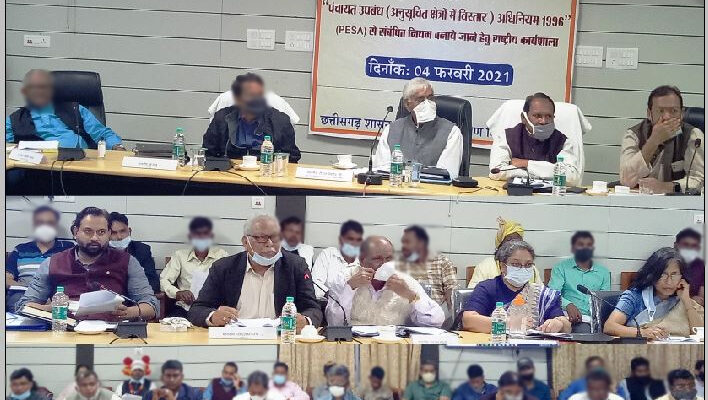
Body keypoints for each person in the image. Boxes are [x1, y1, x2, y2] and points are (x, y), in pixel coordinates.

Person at [16, 207, 159, 321]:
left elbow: (152, 306)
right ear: (75, 231)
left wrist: (128, 312)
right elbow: (23, 306)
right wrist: (50, 309)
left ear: (109, 233)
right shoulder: (52, 263)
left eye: (101, 232)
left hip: (112, 333)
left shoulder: (127, 261)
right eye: (88, 231)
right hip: (65, 331)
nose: (95, 238)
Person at [187, 215, 322, 328]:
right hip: (234, 338)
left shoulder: (296, 266)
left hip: (279, 339)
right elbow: (197, 309)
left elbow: (313, 309)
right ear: (246, 242)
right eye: (261, 238)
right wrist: (213, 316)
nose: (270, 243)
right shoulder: (224, 268)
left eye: (275, 237)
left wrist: (305, 321)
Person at [326, 236, 445, 327]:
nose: (384, 264)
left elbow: (436, 321)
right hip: (354, 343)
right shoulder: (345, 277)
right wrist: (350, 288)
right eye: (377, 259)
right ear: (362, 260)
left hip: (393, 346)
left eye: (389, 259)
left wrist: (409, 295)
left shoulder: (405, 281)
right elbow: (334, 323)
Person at [462, 240, 571, 333]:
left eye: (528, 264)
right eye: (516, 264)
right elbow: (468, 321)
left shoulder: (542, 294)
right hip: (496, 347)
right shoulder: (487, 288)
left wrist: (559, 324)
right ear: (503, 266)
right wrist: (508, 324)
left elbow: (567, 327)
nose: (523, 268)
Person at [6, 69, 125, 150]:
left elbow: (102, 134)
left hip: (78, 165)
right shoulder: (14, 119)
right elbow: (6, 147)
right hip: (34, 168)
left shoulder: (75, 109)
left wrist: (117, 147)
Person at [372, 77, 463, 179]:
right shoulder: (391, 130)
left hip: (432, 188)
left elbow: (447, 174)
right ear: (407, 104)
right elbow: (382, 169)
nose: (427, 104)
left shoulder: (452, 132)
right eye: (420, 99)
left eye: (430, 98)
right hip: (395, 186)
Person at [619, 85, 704, 193]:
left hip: (677, 200)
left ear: (682, 113)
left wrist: (665, 187)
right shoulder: (634, 134)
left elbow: (698, 181)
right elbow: (626, 180)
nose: (667, 117)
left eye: (674, 111)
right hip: (639, 198)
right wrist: (653, 141)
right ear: (649, 114)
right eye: (660, 111)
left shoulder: (693, 136)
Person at [604, 248, 704, 339]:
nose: (668, 281)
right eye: (662, 275)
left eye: (674, 274)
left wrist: (686, 301)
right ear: (652, 275)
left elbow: (701, 334)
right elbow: (610, 327)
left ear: (682, 277)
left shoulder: (682, 299)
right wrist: (643, 332)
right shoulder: (635, 296)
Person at [202, 72, 301, 162]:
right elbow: (208, 153)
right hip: (229, 171)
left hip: (267, 171)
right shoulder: (221, 118)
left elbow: (292, 158)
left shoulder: (280, 121)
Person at [489, 92, 581, 186]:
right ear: (524, 118)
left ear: (553, 118)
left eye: (548, 116)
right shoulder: (507, 136)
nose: (543, 121)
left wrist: (526, 164)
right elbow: (496, 172)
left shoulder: (563, 141)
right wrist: (548, 171)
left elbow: (572, 177)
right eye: (537, 116)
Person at [6, 205, 73, 310]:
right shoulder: (20, 249)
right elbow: (6, 278)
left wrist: (51, 295)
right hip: (23, 295)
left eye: (50, 223)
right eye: (40, 222)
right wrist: (33, 291)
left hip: (57, 296)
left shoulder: (68, 248)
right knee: (15, 302)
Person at [160, 217, 228, 318]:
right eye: (197, 234)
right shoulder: (180, 256)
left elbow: (230, 283)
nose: (201, 237)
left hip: (213, 308)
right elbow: (164, 281)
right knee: (171, 324)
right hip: (185, 307)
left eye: (205, 234)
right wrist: (177, 293)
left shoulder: (222, 256)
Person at [548, 231, 611, 333]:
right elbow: (552, 294)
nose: (585, 248)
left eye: (589, 245)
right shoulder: (561, 268)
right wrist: (568, 304)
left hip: (592, 319)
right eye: (581, 245)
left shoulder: (603, 272)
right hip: (567, 316)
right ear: (573, 248)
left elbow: (604, 300)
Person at [467, 217, 541, 289]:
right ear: (500, 244)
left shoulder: (530, 268)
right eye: (510, 241)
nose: (514, 245)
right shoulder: (486, 266)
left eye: (518, 241)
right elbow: (472, 292)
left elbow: (542, 292)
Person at [398, 225, 458, 311]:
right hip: (408, 310)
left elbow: (452, 289)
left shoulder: (442, 262)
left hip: (436, 310)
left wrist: (448, 304)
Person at [108, 212, 160, 293]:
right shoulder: (100, 252)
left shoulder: (142, 250)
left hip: (136, 297)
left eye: (122, 231)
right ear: (107, 234)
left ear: (129, 231)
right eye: (113, 233)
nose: (119, 237)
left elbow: (154, 283)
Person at [312, 220, 364, 300]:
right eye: (350, 239)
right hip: (327, 302)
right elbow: (315, 284)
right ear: (341, 240)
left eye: (358, 240)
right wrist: (336, 297)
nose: (354, 243)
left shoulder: (363, 260)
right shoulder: (328, 254)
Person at [559, 357, 626, 400]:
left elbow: (623, 397)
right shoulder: (577, 384)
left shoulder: (611, 383)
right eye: (592, 367)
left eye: (598, 367)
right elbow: (562, 397)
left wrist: (613, 391)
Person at [674, 228, 704, 306]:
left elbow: (701, 299)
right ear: (676, 245)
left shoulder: (701, 265)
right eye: (686, 244)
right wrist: (689, 299)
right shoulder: (666, 262)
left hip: (693, 307)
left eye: (694, 246)